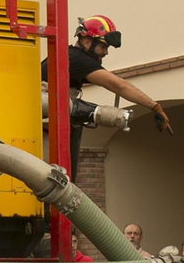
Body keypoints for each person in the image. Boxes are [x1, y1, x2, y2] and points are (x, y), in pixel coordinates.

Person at [47, 16, 173, 171]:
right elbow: (119, 86)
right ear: (86, 41)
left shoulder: (69, 57)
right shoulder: (76, 59)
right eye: (103, 46)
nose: (106, 52)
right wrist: (155, 107)